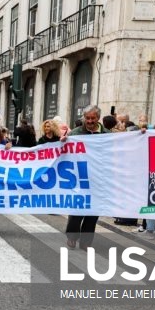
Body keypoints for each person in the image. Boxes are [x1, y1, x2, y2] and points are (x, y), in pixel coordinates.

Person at [64, 105, 109, 249]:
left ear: (98, 118)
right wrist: (63, 142)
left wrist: (142, 133)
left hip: (99, 179)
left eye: (93, 118)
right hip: (79, 178)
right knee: (77, 210)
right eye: (87, 118)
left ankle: (86, 241)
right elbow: (65, 153)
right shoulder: (75, 134)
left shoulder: (107, 134)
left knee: (93, 212)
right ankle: (72, 236)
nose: (90, 121)